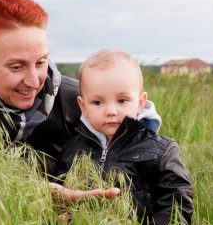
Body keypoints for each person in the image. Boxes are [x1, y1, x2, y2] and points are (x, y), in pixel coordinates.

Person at [0, 0, 160, 200]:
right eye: (16, 66)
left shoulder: (81, 103)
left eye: (41, 62)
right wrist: (44, 196)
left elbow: (146, 169)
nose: (34, 81)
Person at [55, 49, 193, 224]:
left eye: (122, 101)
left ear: (140, 103)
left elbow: (176, 204)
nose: (111, 111)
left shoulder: (161, 151)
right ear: (83, 107)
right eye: (97, 102)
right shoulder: (72, 147)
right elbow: (60, 195)